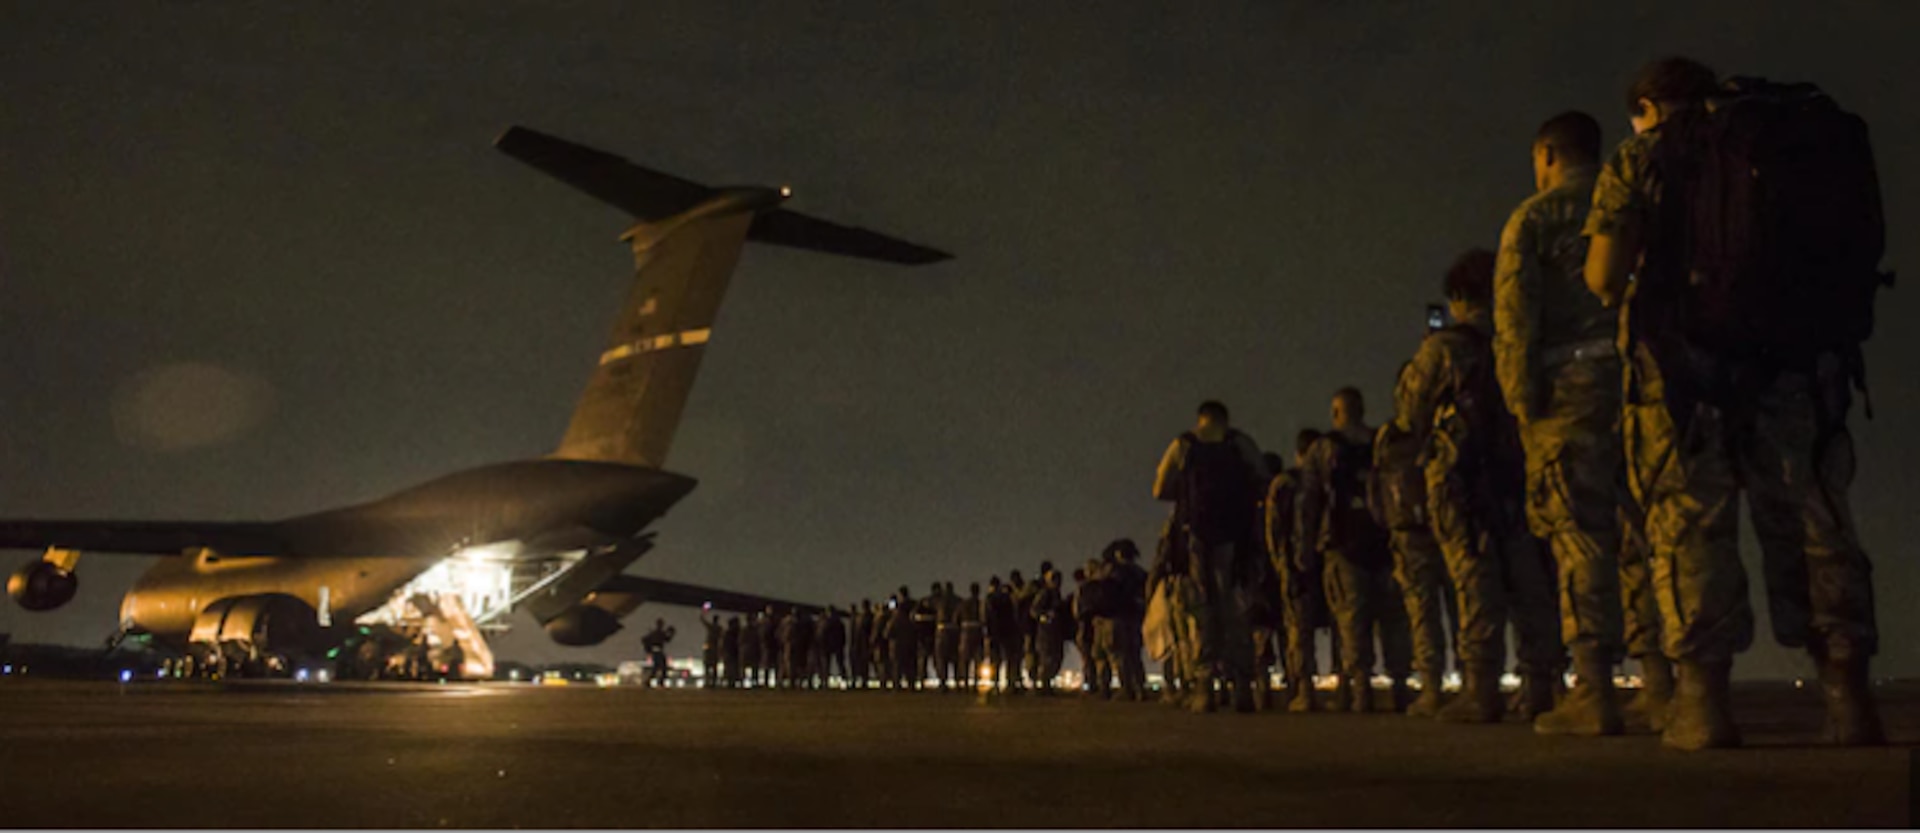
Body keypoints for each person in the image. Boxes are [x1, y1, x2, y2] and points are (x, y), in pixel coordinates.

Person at [1584, 57, 1886, 748]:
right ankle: (1848, 699)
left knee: (1693, 523)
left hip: (1684, 372)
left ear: (1650, 105)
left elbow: (1604, 274)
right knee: (1816, 518)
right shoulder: (1794, 139)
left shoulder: (1647, 155)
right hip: (1799, 364)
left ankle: (1703, 705)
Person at [1494, 110, 1653, 732]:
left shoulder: (1534, 219)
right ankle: (1665, 680)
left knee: (1580, 536)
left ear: (1549, 153)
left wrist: (1521, 404)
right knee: (1647, 531)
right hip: (1644, 384)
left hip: (1569, 393)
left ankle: (1594, 691)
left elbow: (1515, 322)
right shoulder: (1637, 199)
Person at [1395, 250, 1564, 724]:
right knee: (1530, 582)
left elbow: (1411, 412)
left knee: (1475, 581)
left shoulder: (1446, 348)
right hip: (1521, 471)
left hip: (1462, 478)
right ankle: (1539, 685)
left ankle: (1482, 687)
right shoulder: (1524, 337)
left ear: (1457, 298)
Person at [1153, 400, 1271, 713]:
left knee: (1201, 609)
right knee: (1235, 606)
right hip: (1236, 538)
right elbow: (1263, 480)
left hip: (1197, 538)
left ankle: (1204, 686)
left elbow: (1159, 489)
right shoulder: (1240, 443)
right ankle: (1242, 685)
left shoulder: (1184, 444)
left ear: (1199, 418)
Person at [1296, 388, 1409, 713]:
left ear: (1335, 412)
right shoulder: (1382, 442)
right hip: (1386, 540)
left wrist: (1305, 547)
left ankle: (1362, 690)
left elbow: (1309, 503)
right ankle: (1401, 685)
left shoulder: (1322, 449)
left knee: (1351, 619)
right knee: (1393, 618)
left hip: (1343, 544)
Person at [1370, 412, 1452, 717]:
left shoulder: (1392, 438)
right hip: (1452, 527)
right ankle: (1477, 683)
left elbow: (1377, 495)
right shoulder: (1448, 430)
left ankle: (1432, 688)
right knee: (1465, 607)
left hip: (1409, 534)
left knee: (1422, 612)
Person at [1269, 428, 1333, 712]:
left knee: (1299, 630)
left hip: (1298, 565)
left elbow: (1274, 530)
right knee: (1344, 628)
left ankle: (1305, 690)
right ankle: (1354, 692)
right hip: (1334, 561)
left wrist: (1281, 566)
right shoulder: (1331, 480)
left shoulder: (1285, 483)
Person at [1105, 540, 1150, 701]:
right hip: (1136, 617)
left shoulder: (1114, 572)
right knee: (1135, 653)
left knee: (1121, 654)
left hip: (1119, 616)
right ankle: (1140, 688)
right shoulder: (1141, 573)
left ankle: (1127, 688)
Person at [1029, 568, 1069, 694]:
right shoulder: (1045, 593)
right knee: (1048, 658)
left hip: (1054, 632)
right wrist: (1045, 616)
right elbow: (1034, 610)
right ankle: (1044, 684)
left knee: (1055, 658)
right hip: (1047, 632)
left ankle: (1045, 683)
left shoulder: (1055, 594)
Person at [984, 576, 1021, 693]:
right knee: (1010, 658)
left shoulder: (990, 598)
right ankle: (1010, 683)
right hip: (1009, 631)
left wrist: (987, 633)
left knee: (995, 660)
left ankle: (995, 685)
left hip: (995, 632)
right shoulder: (1008, 598)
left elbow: (987, 616)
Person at [888, 588, 921, 691]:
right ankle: (911, 685)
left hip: (898, 643)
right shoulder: (915, 609)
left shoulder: (897, 614)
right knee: (911, 665)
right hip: (911, 641)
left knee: (897, 665)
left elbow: (889, 631)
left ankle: (897, 685)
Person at [957, 582, 985, 691]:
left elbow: (957, 618)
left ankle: (966, 682)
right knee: (978, 658)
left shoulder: (964, 604)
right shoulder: (981, 603)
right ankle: (975, 682)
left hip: (966, 631)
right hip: (978, 630)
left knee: (965, 659)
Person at [933, 582, 960, 692]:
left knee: (941, 658)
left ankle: (943, 682)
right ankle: (958, 681)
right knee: (955, 658)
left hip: (942, 630)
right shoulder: (958, 601)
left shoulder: (939, 601)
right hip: (954, 630)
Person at [818, 605, 849, 687]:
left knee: (827, 665)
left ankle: (825, 681)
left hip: (829, 646)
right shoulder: (838, 622)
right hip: (835, 646)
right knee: (838, 664)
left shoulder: (825, 622)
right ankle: (843, 680)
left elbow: (821, 635)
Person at [640, 619, 676, 687]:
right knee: (663, 667)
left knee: (657, 668)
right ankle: (659, 681)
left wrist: (649, 650)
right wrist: (671, 633)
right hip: (658, 652)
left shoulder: (655, 633)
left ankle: (651, 681)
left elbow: (644, 639)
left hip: (655, 652)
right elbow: (667, 639)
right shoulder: (659, 633)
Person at [850, 599, 876, 689]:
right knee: (864, 664)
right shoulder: (870, 617)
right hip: (864, 644)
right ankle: (864, 680)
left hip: (863, 644)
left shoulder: (861, 618)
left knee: (864, 664)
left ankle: (863, 680)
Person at [699, 610, 723, 689]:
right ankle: (714, 682)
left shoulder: (711, 627)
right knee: (714, 666)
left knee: (707, 666)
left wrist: (704, 611)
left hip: (709, 648)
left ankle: (707, 681)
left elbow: (702, 619)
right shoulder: (719, 628)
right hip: (715, 648)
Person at [757, 606, 781, 688]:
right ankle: (770, 681)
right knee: (770, 664)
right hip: (770, 645)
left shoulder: (766, 621)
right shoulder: (773, 621)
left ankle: (770, 681)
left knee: (770, 664)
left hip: (770, 645)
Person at [740, 612, 764, 688]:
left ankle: (744, 681)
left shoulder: (745, 630)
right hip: (753, 650)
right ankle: (754, 682)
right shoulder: (755, 630)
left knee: (745, 667)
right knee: (754, 668)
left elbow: (740, 641)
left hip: (747, 650)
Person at [721, 616, 743, 689]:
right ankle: (732, 681)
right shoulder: (736, 632)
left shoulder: (728, 633)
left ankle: (731, 681)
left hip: (731, 652)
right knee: (733, 668)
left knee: (731, 668)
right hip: (733, 652)